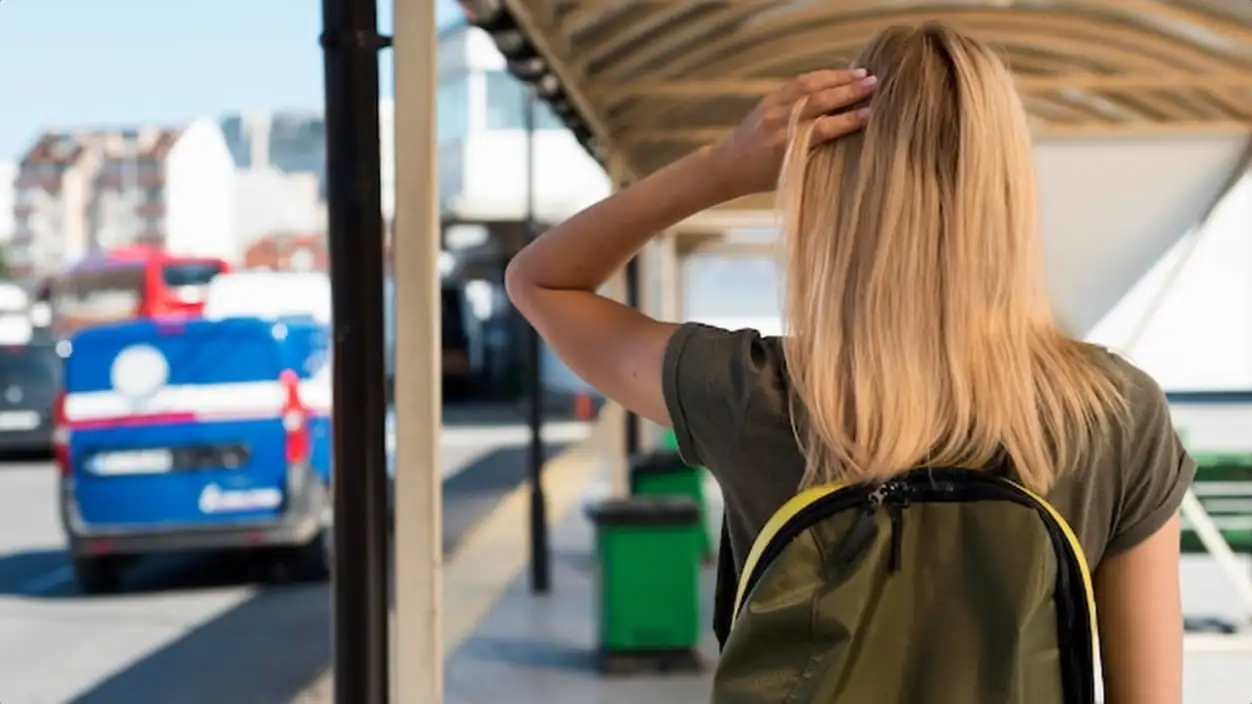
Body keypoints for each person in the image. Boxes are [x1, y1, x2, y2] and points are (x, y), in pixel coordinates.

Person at [505, 21, 1191, 704]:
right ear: (1009, 189)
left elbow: (541, 282)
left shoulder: (756, 392)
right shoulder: (1116, 414)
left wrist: (721, 166)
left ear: (833, 192)